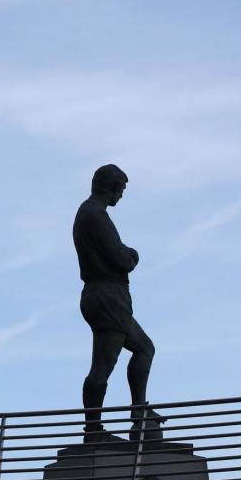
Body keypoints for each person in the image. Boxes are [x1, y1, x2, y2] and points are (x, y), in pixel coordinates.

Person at [73, 164, 159, 443]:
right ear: (110, 187)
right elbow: (121, 259)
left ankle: (137, 415)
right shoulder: (95, 215)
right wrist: (132, 254)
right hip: (108, 295)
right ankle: (97, 428)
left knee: (142, 348)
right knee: (105, 363)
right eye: (120, 189)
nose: (120, 196)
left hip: (103, 295)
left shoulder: (88, 213)